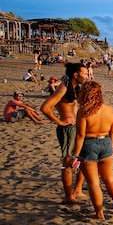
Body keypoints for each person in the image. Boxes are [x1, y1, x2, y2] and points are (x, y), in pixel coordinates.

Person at [72, 81, 113, 219]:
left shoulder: (83, 112)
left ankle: (99, 213)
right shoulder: (110, 110)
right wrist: (111, 145)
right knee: (110, 179)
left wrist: (75, 155)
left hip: (89, 144)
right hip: (106, 142)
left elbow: (80, 135)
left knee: (94, 183)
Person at [41, 63, 88, 204]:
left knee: (82, 159)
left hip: (77, 128)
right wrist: (60, 121)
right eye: (84, 74)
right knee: (68, 162)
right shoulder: (63, 87)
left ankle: (77, 190)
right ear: (76, 74)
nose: (87, 76)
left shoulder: (73, 87)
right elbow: (45, 107)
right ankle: (69, 197)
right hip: (68, 129)